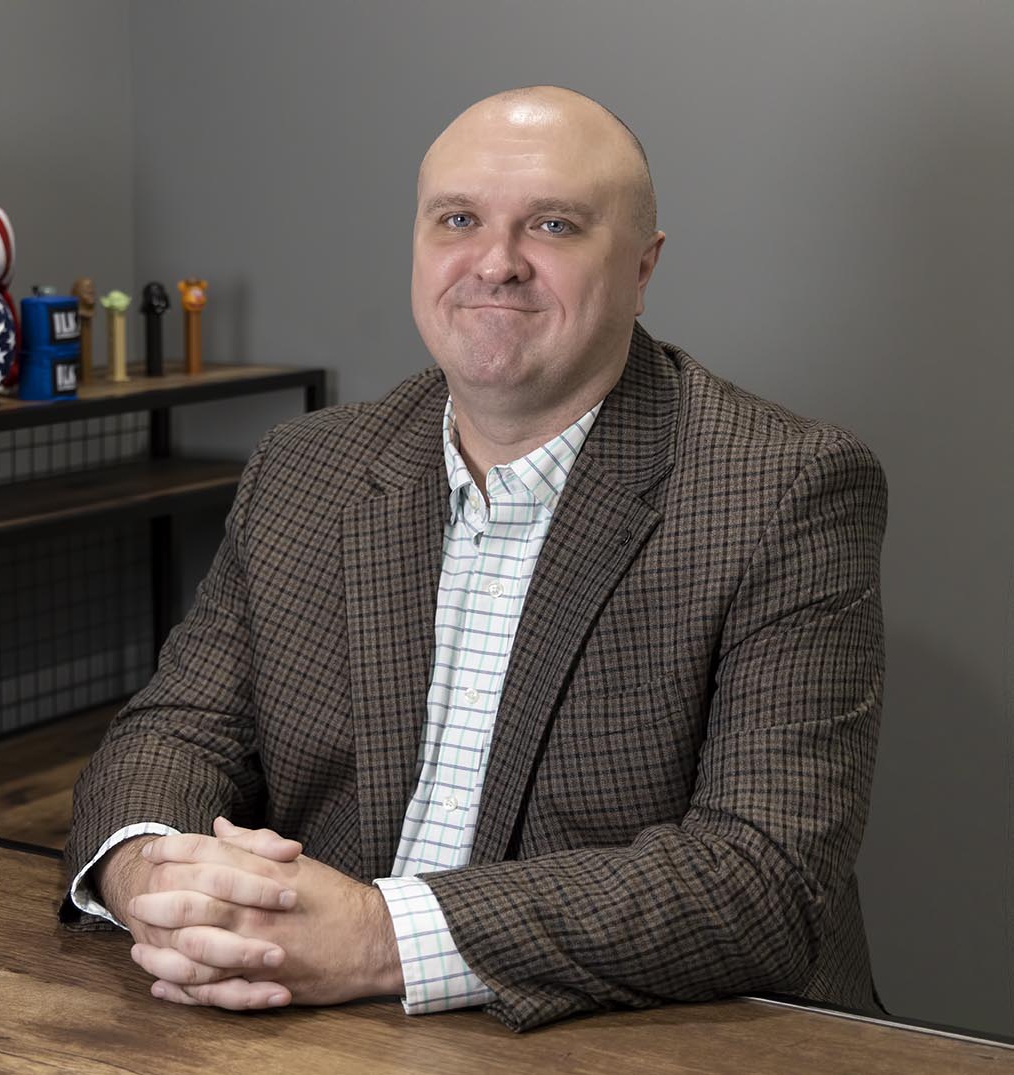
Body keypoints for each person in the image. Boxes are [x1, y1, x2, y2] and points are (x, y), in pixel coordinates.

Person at [62, 85, 887, 1033]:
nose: (495, 262)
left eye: (553, 225)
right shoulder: (307, 467)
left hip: (641, 1032)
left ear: (641, 268)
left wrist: (376, 936)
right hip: (312, 1018)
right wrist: (151, 877)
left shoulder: (786, 487)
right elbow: (176, 731)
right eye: (458, 219)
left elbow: (764, 875)